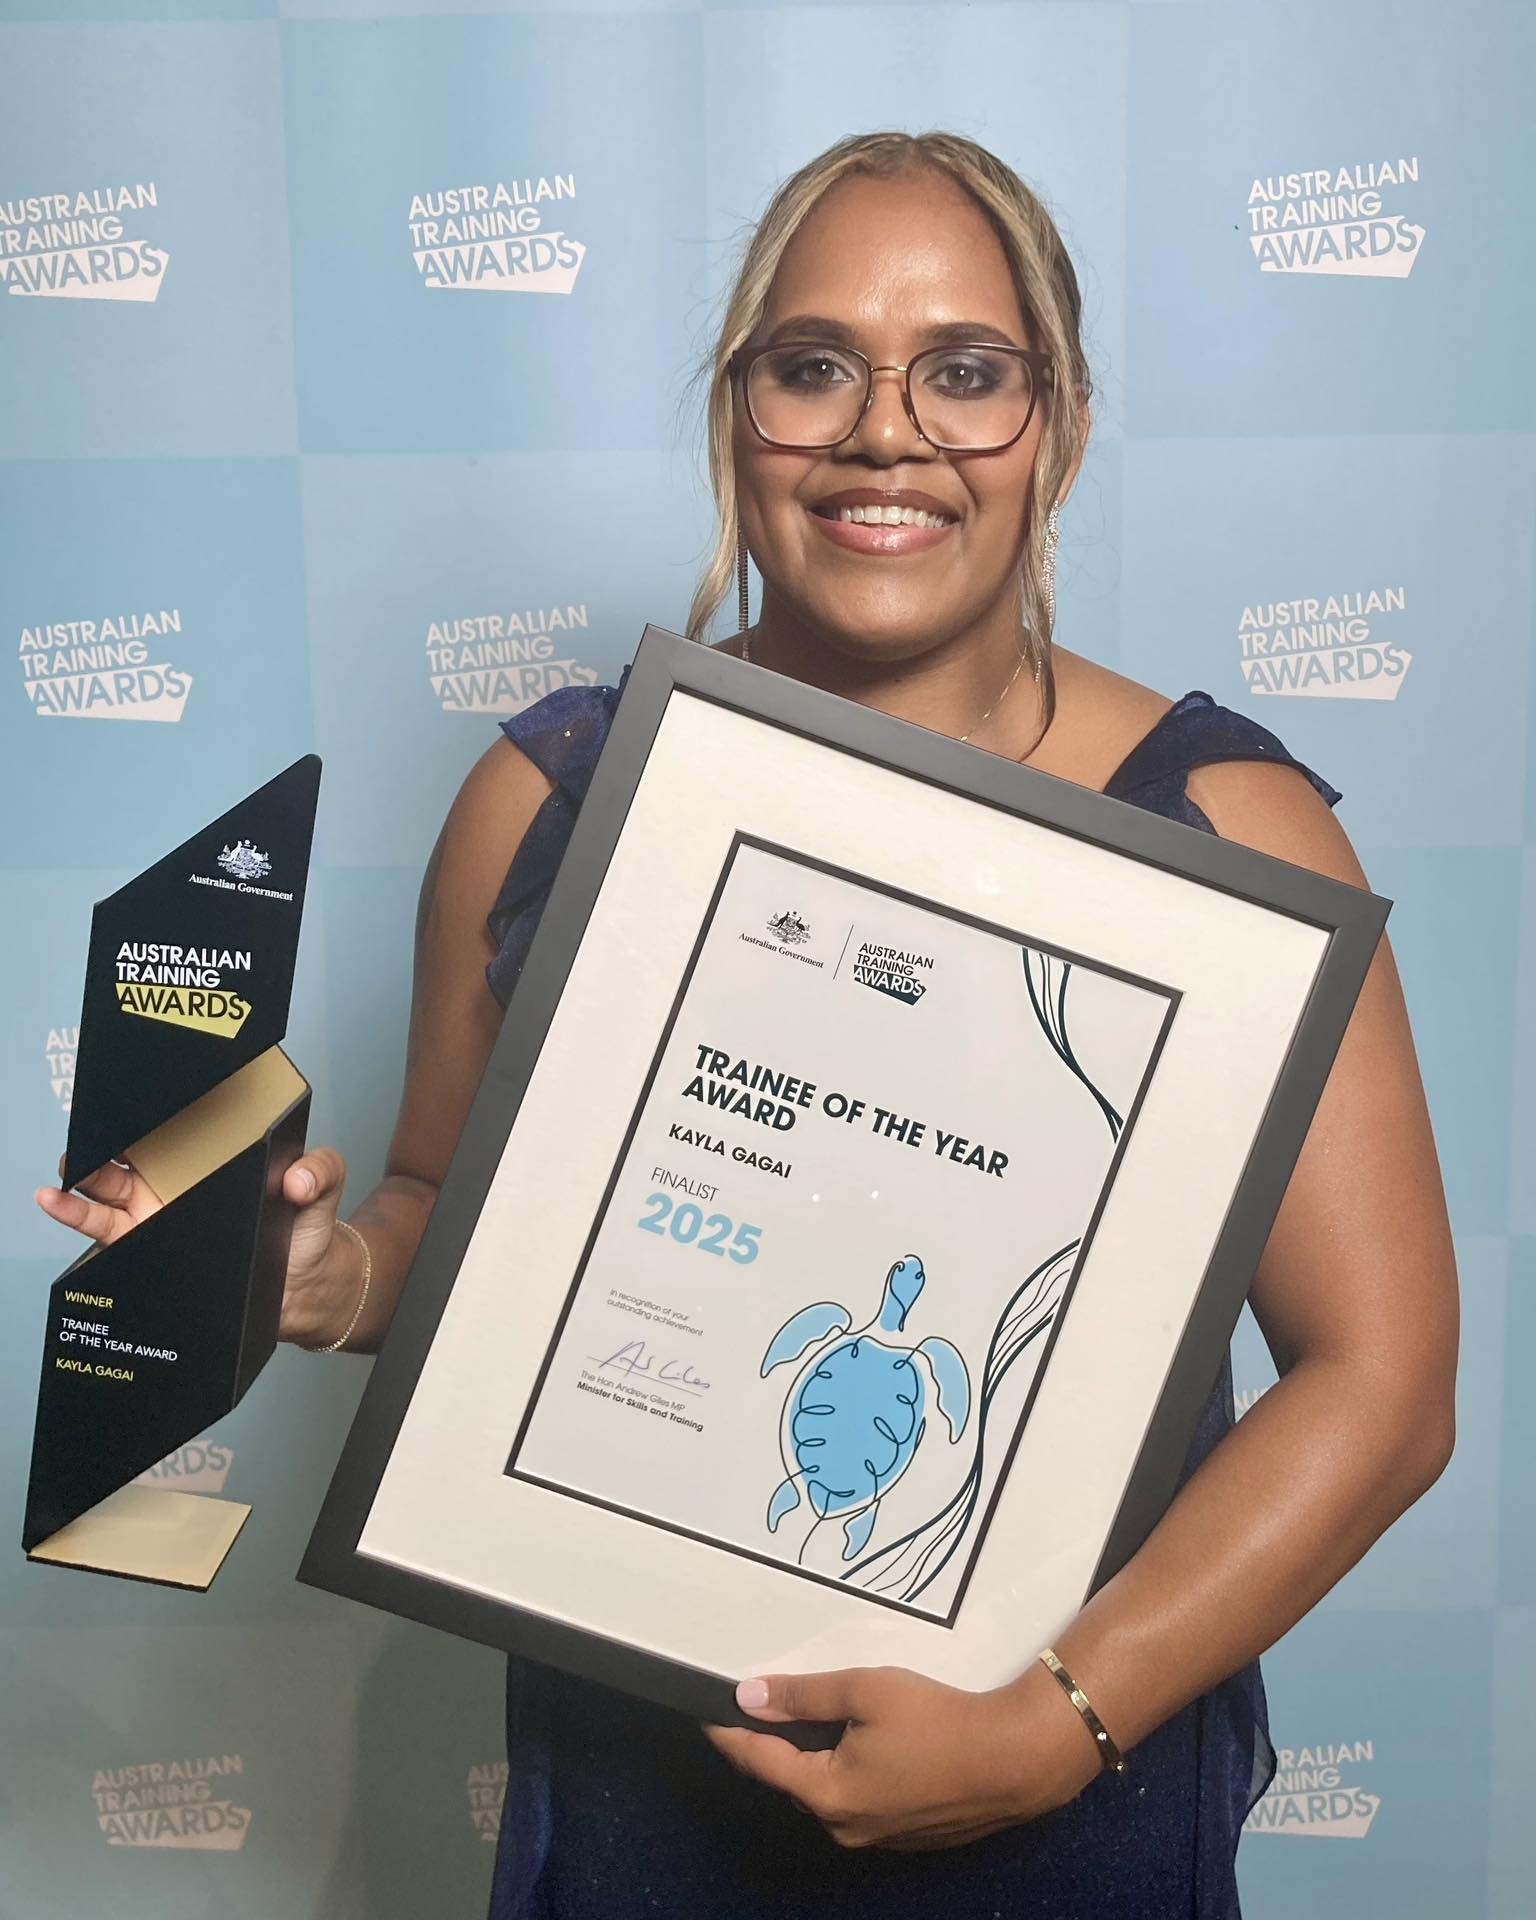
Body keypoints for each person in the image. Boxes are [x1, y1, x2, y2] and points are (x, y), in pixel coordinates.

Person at [36, 131, 1458, 1918]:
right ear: (738, 418)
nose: (886, 431)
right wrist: (325, 1279)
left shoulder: (1233, 834)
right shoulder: (549, 791)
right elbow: (432, 1212)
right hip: (637, 1788)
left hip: (1075, 1782)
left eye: (966, 372)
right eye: (812, 368)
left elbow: (1384, 1388)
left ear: (1061, 422)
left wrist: (1053, 1722)